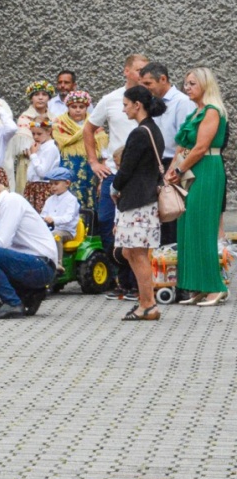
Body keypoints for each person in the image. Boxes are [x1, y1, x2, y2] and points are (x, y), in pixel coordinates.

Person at [85, 53, 148, 299]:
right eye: (139, 70)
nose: (143, 75)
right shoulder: (112, 100)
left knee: (136, 228)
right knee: (106, 221)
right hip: (114, 171)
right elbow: (89, 128)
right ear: (126, 71)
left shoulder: (152, 101)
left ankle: (136, 284)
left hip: (140, 174)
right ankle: (119, 279)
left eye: (146, 70)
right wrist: (93, 161)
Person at [169, 67, 228, 307]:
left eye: (192, 83)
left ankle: (216, 286)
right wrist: (170, 171)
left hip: (206, 170)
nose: (187, 87)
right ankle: (200, 286)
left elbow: (201, 147)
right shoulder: (196, 112)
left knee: (203, 227)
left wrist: (180, 170)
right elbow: (181, 147)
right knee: (188, 226)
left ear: (205, 84)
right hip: (191, 169)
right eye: (186, 83)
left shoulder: (212, 111)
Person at [0, 174, 58, 319]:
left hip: (41, 264)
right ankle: (29, 294)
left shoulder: (11, 202)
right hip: (31, 262)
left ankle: (12, 303)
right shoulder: (4, 205)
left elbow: (2, 243)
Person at [110, 86, 168, 320]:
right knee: (130, 252)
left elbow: (126, 168)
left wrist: (115, 186)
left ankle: (148, 304)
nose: (124, 110)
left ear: (137, 105)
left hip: (137, 202)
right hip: (144, 199)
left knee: (138, 253)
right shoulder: (154, 130)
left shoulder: (140, 133)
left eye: (126, 105)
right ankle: (146, 302)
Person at [139, 61, 194, 246]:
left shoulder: (182, 102)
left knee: (172, 213)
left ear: (163, 79)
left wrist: (175, 169)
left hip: (173, 163)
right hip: (156, 163)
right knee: (160, 218)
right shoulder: (153, 103)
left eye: (148, 84)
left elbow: (185, 141)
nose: (146, 89)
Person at [53, 91, 106, 216]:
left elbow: (103, 146)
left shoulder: (94, 123)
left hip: (90, 166)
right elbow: (60, 142)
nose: (78, 110)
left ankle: (90, 229)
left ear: (86, 108)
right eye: (74, 107)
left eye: (81, 107)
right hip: (70, 165)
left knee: (91, 194)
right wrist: (86, 133)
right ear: (68, 107)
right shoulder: (60, 124)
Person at [10, 81, 55, 196]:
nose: (40, 98)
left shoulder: (54, 119)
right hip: (27, 162)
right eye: (36, 95)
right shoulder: (25, 118)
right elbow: (24, 146)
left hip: (48, 161)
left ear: (49, 98)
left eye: (44, 95)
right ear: (31, 98)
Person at [41, 167, 80, 270]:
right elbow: (43, 214)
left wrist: (53, 219)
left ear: (67, 183)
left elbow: (68, 218)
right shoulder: (49, 200)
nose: (53, 187)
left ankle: (57, 263)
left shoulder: (72, 200)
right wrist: (42, 219)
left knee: (56, 236)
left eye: (56, 183)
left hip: (67, 231)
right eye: (51, 184)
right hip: (50, 229)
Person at [22, 119, 61, 213]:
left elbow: (43, 173)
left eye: (39, 134)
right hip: (32, 186)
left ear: (48, 131)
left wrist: (33, 155)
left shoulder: (51, 148)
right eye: (33, 133)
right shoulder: (39, 146)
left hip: (42, 187)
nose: (35, 137)